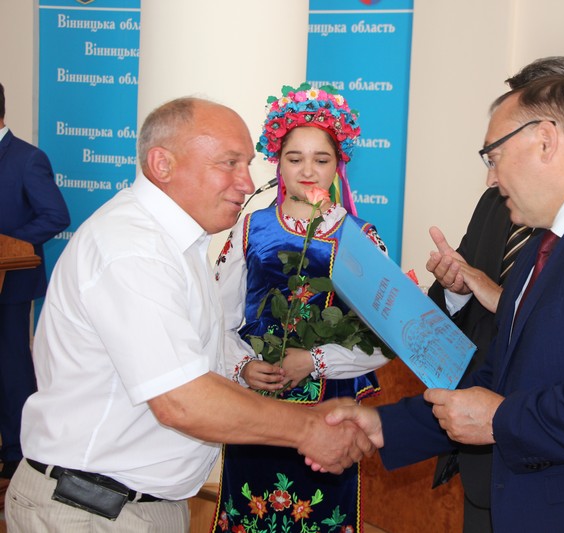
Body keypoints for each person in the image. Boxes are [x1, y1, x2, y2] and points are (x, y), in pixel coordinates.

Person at [326, 72, 564, 531]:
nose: (491, 179)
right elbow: (501, 378)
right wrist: (383, 426)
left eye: (493, 157)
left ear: (545, 141)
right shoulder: (543, 243)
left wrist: (500, 419)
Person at [5, 97, 375, 532]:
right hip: (91, 510)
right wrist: (308, 428)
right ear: (162, 164)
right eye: (229, 164)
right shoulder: (133, 249)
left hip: (135, 506)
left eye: (248, 164)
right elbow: (181, 399)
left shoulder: (181, 243)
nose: (247, 182)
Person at [427, 57, 564, 533]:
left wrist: (502, 295)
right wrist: (456, 290)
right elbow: (460, 289)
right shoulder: (495, 203)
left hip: (559, 464)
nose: (494, 175)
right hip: (479, 445)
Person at [212, 84, 391, 533]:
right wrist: (243, 367)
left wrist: (313, 361)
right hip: (253, 407)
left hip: (328, 413)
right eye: (295, 159)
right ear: (278, 162)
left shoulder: (358, 238)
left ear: (338, 165)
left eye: (321, 160)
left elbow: (386, 339)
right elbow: (215, 321)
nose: (308, 170)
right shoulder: (250, 229)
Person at [0, 82, 70, 481]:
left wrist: (8, 244)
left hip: (9, 283)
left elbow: (56, 215)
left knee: (10, 366)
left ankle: (17, 451)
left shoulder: (27, 158)